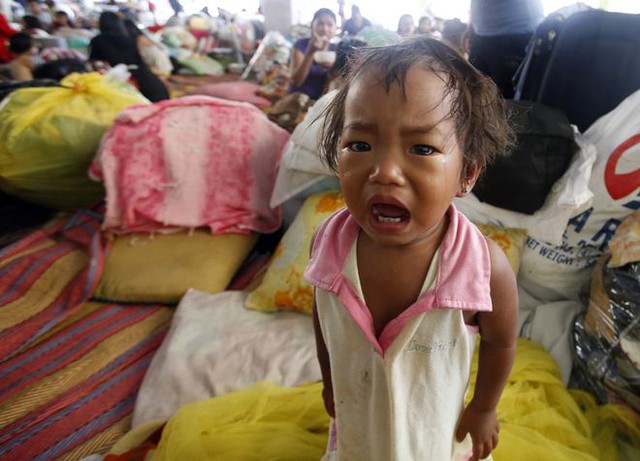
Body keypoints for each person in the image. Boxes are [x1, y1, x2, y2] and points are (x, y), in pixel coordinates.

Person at [304, 35, 518, 460]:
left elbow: (502, 343)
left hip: (434, 436)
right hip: (358, 427)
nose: (384, 172)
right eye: (359, 145)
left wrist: (484, 407)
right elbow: (324, 318)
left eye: (421, 148)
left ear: (467, 174)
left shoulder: (481, 267)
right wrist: (330, 381)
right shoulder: (329, 243)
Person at [468, 0, 544, 98]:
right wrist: (471, 26)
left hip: (516, 33)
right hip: (480, 33)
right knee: (475, 94)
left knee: (509, 101)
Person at [89, 11, 169, 102]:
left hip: (122, 80)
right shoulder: (131, 38)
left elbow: (94, 63)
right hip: (146, 77)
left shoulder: (97, 41)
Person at [289, 8, 337, 100]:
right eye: (320, 23)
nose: (325, 28)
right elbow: (296, 81)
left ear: (335, 28)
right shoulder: (301, 45)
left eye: (330, 24)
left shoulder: (336, 49)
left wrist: (333, 69)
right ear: (312, 25)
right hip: (297, 99)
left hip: (321, 102)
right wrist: (310, 52)